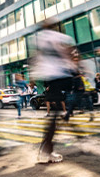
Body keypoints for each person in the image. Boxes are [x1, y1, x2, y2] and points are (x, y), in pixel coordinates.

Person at [30, 19, 75, 164]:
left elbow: (35, 58)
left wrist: (32, 76)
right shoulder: (59, 37)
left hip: (50, 78)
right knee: (77, 92)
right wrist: (76, 67)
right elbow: (66, 52)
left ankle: (47, 149)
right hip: (60, 76)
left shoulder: (39, 38)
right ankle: (46, 150)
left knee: (55, 114)